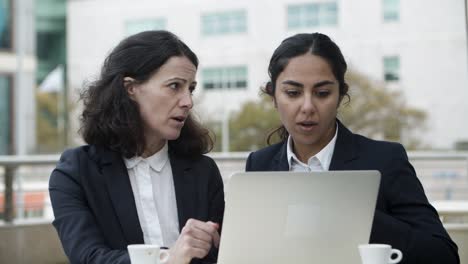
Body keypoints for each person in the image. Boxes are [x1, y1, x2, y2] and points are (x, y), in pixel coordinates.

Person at [245, 32, 459, 264]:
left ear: (340, 96)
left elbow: (442, 254)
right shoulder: (259, 164)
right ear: (274, 96)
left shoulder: (385, 159)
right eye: (293, 93)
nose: (307, 107)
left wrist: (357, 215)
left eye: (323, 93)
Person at [49, 30, 224, 264]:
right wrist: (168, 258)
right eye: (174, 86)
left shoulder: (203, 171)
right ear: (130, 88)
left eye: (190, 88)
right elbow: (88, 257)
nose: (188, 102)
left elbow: (222, 254)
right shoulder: (75, 172)